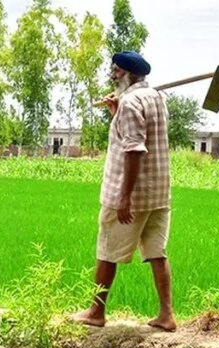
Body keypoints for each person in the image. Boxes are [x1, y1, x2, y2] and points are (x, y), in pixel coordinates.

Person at [72, 51, 176, 331]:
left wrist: (124, 197)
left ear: (129, 74)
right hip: (158, 193)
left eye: (116, 71)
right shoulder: (156, 98)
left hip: (132, 193)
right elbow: (136, 133)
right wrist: (115, 113)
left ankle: (96, 311)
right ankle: (167, 315)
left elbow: (134, 150)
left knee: (107, 251)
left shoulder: (131, 102)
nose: (112, 75)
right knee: (157, 252)